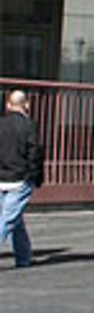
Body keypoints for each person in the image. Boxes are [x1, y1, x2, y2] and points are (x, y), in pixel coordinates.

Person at [0, 88, 45, 268]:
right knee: (8, 219)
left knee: (14, 219)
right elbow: (34, 152)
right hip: (19, 178)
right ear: (26, 105)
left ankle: (23, 257)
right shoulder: (29, 126)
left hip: (1, 177)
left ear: (8, 105)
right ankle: (23, 257)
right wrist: (34, 176)